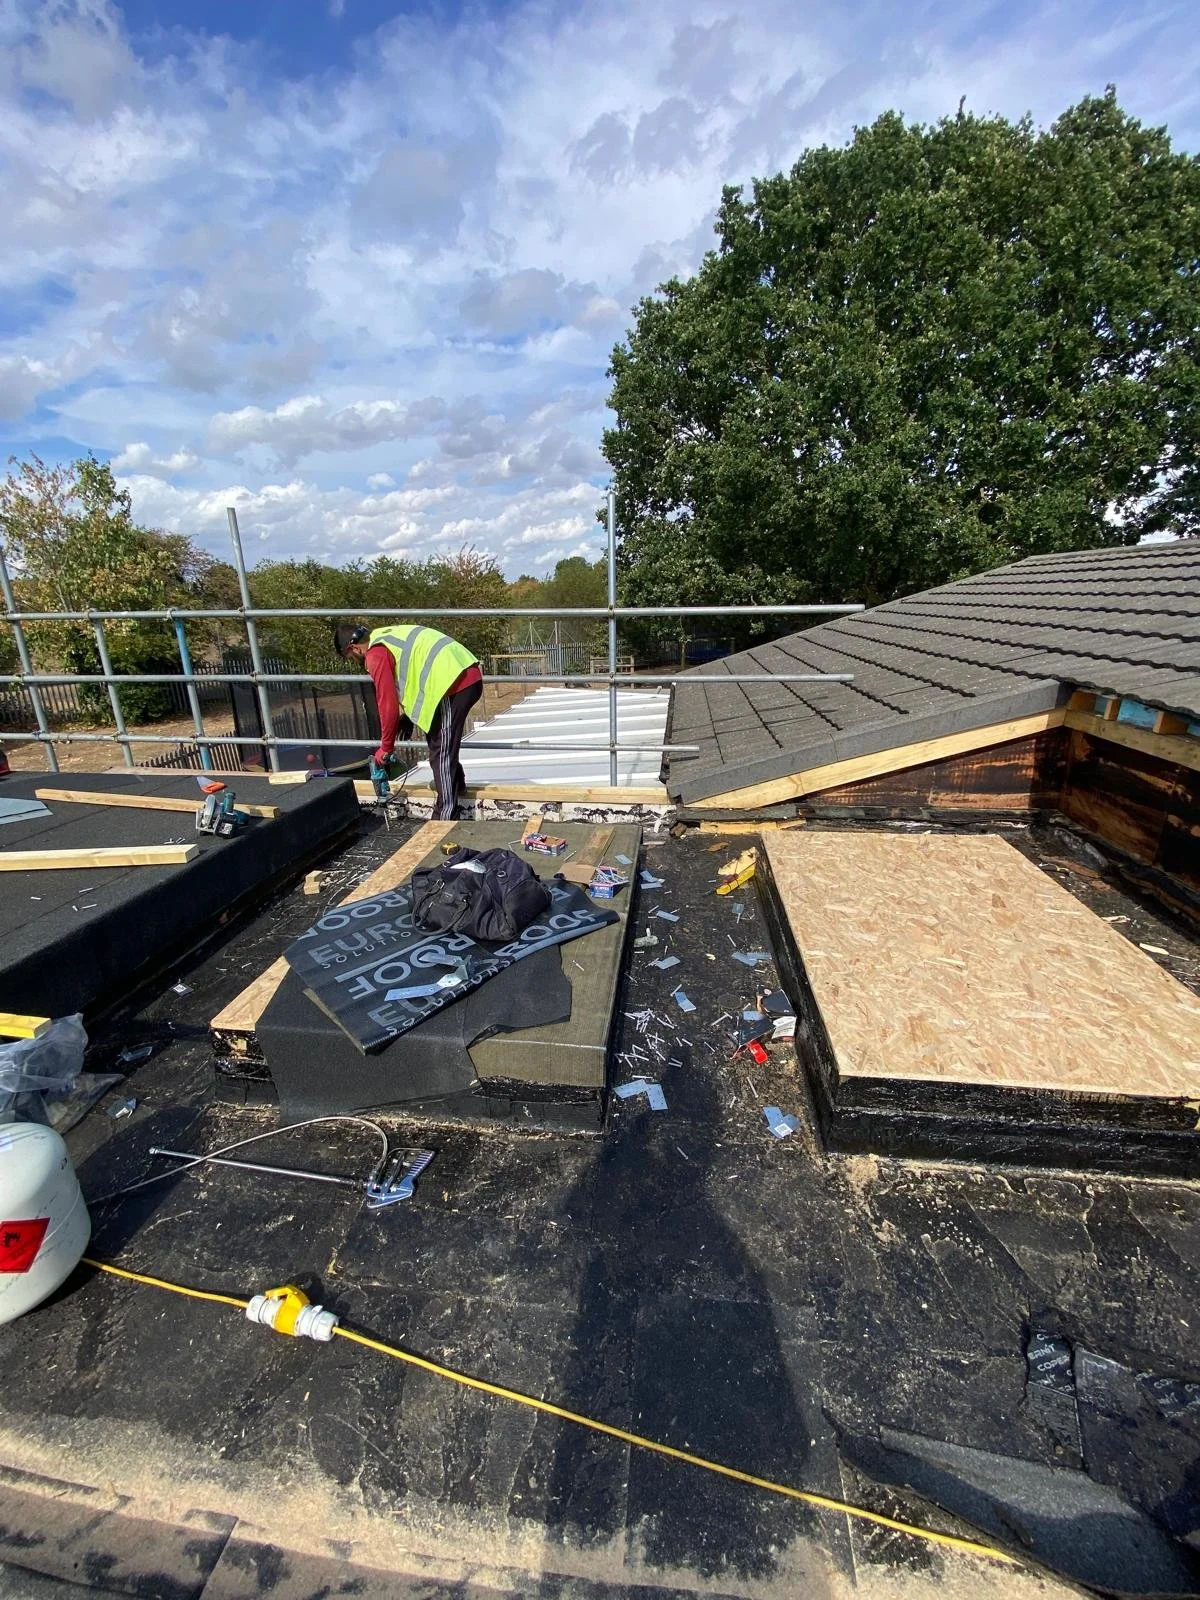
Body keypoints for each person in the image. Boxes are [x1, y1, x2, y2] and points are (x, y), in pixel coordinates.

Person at [334, 621, 483, 820]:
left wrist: (386, 748)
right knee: (439, 744)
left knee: (441, 752)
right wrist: (408, 718)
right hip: (455, 676)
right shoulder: (384, 637)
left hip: (455, 682)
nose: (354, 662)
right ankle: (457, 787)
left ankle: (445, 817)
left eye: (350, 658)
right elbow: (413, 674)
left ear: (354, 648)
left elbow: (387, 704)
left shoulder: (375, 654)